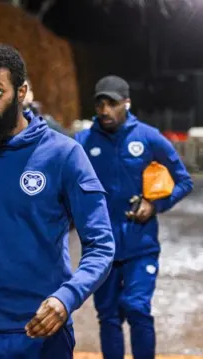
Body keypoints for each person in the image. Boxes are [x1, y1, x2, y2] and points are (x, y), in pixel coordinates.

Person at [0, 44, 116, 358]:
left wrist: (66, 298)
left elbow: (101, 244)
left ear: (21, 92)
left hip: (41, 330)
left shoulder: (64, 155)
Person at [74, 75, 194, 359]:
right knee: (109, 317)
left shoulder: (149, 136)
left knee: (137, 308)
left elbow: (184, 181)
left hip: (141, 246)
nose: (104, 110)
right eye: (100, 103)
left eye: (112, 103)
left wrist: (155, 205)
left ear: (126, 103)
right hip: (101, 249)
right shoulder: (82, 141)